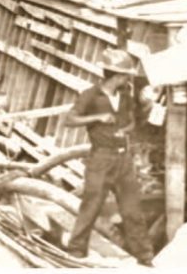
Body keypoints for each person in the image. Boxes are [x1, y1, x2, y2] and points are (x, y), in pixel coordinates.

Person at [63, 48, 154, 266]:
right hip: (100, 159)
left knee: (132, 210)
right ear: (116, 75)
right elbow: (70, 119)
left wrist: (126, 130)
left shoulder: (125, 96)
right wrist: (97, 117)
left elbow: (132, 122)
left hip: (123, 161)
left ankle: (145, 257)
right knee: (91, 207)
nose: (127, 79)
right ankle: (76, 252)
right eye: (125, 75)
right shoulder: (90, 95)